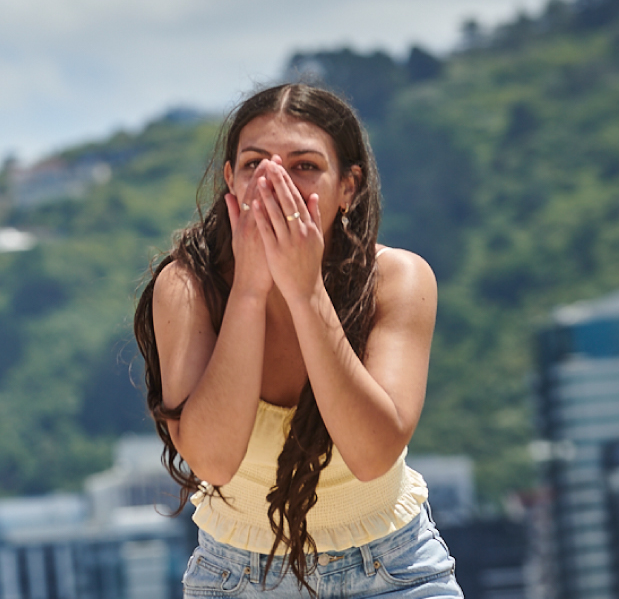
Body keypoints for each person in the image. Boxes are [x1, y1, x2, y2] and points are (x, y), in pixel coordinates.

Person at [132, 83, 459, 596]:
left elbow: (372, 454)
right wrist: (248, 291)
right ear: (229, 183)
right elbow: (213, 463)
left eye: (303, 166)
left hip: (392, 569)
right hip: (239, 576)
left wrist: (306, 294)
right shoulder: (189, 288)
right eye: (254, 164)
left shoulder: (398, 279)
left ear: (348, 187)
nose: (274, 182)